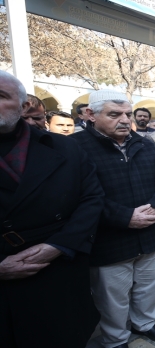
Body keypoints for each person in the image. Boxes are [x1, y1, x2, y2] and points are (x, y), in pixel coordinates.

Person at [0, 72, 104, 347]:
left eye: (1, 97)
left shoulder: (65, 147)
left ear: (23, 107)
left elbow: (91, 199)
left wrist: (59, 245)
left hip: (57, 271)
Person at [71, 89, 155, 346]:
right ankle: (116, 338)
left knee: (150, 287)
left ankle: (145, 322)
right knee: (112, 297)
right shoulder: (75, 148)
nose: (125, 120)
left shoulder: (145, 143)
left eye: (127, 114)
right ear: (90, 114)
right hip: (109, 239)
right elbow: (78, 197)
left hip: (151, 233)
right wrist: (125, 217)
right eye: (114, 114)